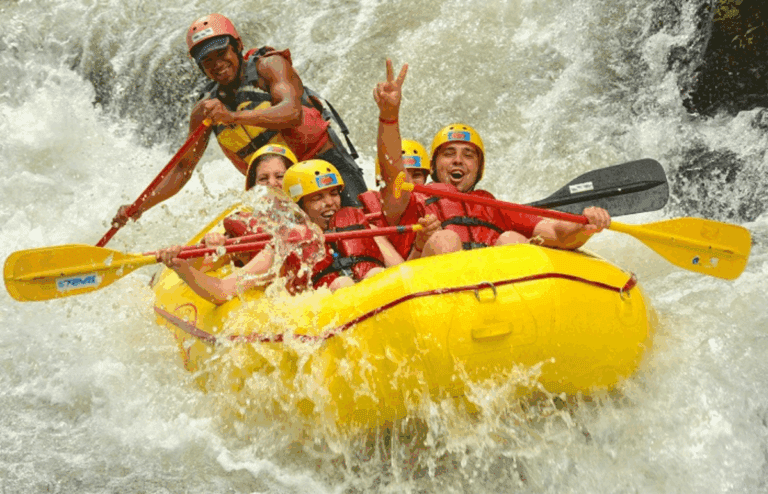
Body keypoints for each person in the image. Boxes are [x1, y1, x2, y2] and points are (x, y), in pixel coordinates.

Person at [113, 13, 367, 228]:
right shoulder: (206, 110)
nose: (217, 64)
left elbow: (292, 113)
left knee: (354, 228)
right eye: (207, 60)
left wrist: (232, 116)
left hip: (326, 171)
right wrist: (140, 205)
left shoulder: (270, 67)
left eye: (221, 53)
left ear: (238, 45)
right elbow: (182, 168)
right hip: (275, 190)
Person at [375, 59, 612, 256]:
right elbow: (392, 169)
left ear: (478, 169)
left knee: (511, 239)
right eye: (449, 153)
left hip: (497, 292)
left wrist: (585, 224)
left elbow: (558, 233)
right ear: (434, 167)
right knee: (445, 240)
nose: (458, 160)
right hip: (436, 293)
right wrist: (389, 115)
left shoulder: (493, 206)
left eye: (468, 155)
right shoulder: (411, 199)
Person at [157, 159, 403, 303]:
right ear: (299, 205)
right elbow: (223, 291)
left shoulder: (362, 227)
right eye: (317, 198)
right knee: (342, 284)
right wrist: (182, 268)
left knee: (377, 275)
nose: (330, 203)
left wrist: (423, 240)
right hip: (332, 311)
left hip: (377, 303)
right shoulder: (284, 244)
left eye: (333, 193)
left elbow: (403, 271)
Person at [358, 138, 441, 260]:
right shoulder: (367, 216)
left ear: (426, 178)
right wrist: (419, 246)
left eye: (416, 175)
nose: (409, 182)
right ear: (380, 181)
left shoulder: (437, 203)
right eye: (400, 177)